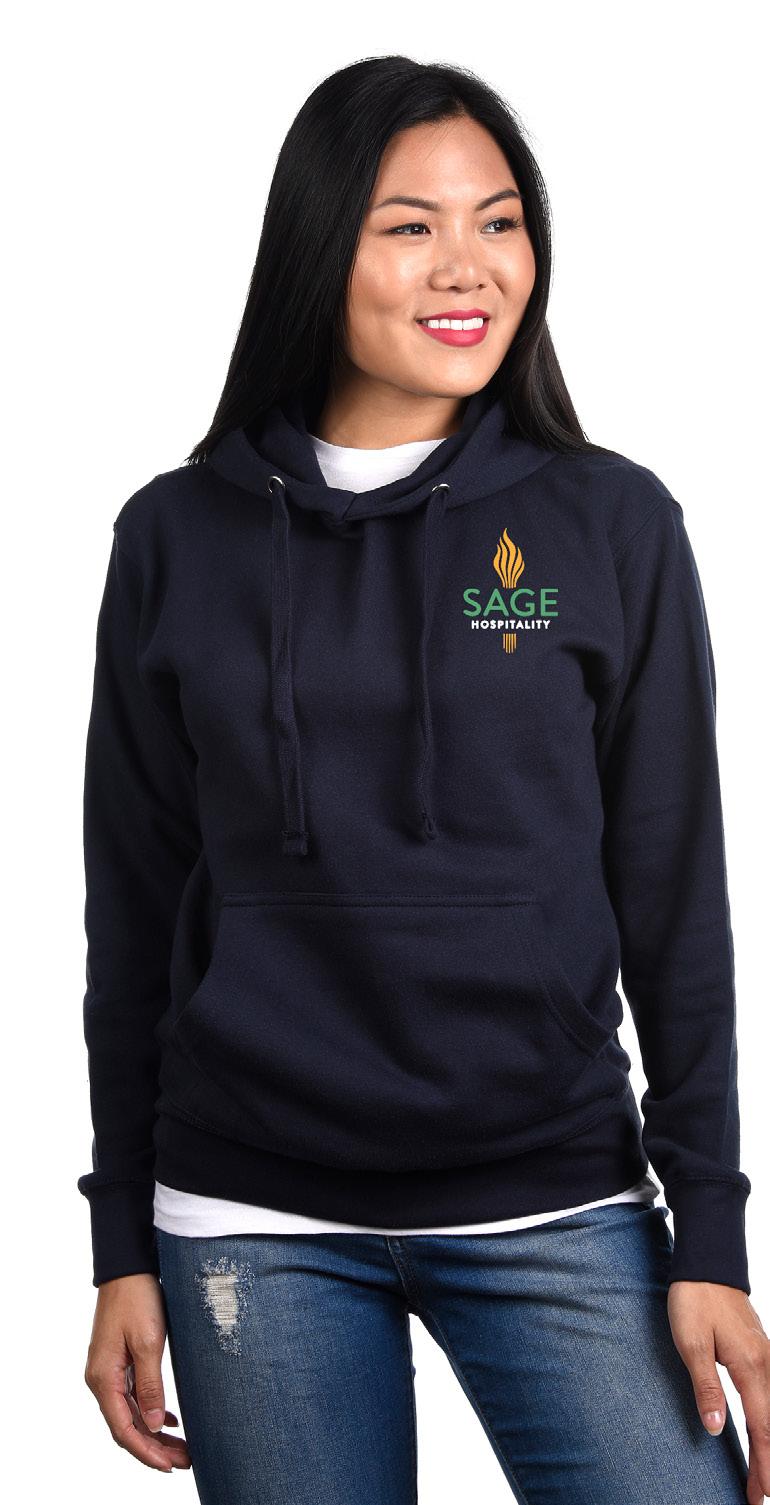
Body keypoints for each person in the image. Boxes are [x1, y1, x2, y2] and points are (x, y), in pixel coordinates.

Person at [78, 55, 769, 1505]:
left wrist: (709, 1229)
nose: (468, 266)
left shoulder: (610, 523)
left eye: (499, 221)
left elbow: (675, 894)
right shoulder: (175, 536)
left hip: (554, 1191)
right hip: (247, 1215)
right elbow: (132, 911)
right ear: (317, 249)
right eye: (410, 226)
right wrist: (120, 1241)